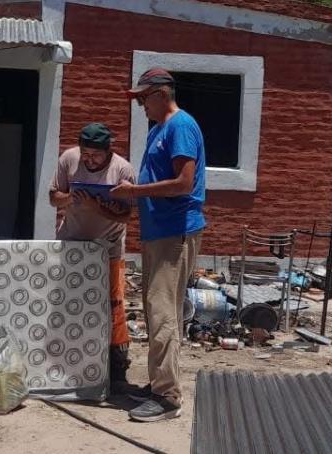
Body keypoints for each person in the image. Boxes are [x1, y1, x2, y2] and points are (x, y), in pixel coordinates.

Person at [111, 68, 205, 422]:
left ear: (161, 94)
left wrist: (134, 192)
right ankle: (159, 385)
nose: (140, 105)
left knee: (163, 311)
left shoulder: (181, 127)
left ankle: (167, 398)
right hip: (158, 232)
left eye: (142, 98)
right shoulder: (158, 130)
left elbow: (184, 183)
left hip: (174, 232)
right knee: (155, 311)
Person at [48, 123, 138, 394]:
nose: (89, 160)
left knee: (114, 306)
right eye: (85, 154)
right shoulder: (69, 159)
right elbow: (53, 198)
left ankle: (117, 366)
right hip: (72, 245)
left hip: (108, 248)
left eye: (96, 156)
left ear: (108, 151)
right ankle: (68, 359)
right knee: (68, 301)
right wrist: (70, 198)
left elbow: (126, 216)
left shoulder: (123, 170)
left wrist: (96, 206)